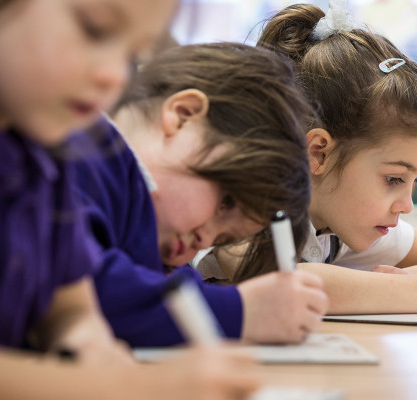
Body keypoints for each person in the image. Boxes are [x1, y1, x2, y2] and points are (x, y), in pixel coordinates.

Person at [0, 1, 258, 399]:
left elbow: (71, 310)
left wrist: (90, 346)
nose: (114, 76)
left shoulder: (46, 154)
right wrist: (130, 386)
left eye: (132, 54)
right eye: (94, 29)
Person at [200, 1, 417, 315]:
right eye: (394, 179)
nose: (407, 205)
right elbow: (282, 281)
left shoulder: (337, 220)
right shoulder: (247, 205)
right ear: (318, 153)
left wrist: (413, 278)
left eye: (414, 180)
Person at [72, 42, 328, 346]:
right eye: (225, 201)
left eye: (222, 239)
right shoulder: (88, 156)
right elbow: (89, 291)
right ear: (183, 116)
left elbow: (158, 285)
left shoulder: (138, 214)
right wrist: (240, 310)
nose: (205, 241)